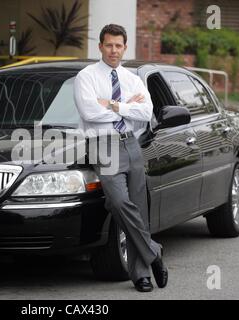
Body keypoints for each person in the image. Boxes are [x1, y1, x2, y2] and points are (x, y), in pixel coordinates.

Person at [74, 24, 168, 292]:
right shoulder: (86, 77)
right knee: (118, 202)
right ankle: (154, 251)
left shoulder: (133, 79)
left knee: (138, 208)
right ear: (100, 46)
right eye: (108, 45)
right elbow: (90, 111)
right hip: (103, 146)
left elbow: (146, 112)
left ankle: (141, 274)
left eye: (118, 45)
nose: (113, 50)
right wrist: (129, 107)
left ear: (125, 47)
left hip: (131, 145)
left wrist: (114, 104)